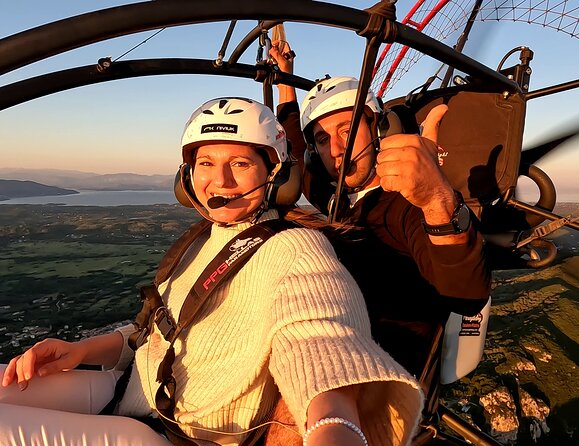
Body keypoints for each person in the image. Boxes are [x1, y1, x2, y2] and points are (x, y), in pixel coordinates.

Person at [0, 97, 423, 446]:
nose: (219, 179)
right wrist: (81, 351)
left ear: (274, 174)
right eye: (205, 163)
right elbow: (156, 334)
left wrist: (336, 427)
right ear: (187, 176)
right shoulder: (203, 238)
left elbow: (321, 343)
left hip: (171, 435)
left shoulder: (296, 248)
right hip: (130, 391)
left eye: (240, 163)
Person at [268, 42, 491, 377]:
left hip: (381, 373)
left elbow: (467, 293)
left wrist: (435, 199)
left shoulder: (406, 205)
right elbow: (297, 149)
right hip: (335, 348)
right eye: (324, 140)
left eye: (347, 130)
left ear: (380, 130)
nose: (337, 150)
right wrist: (285, 79)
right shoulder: (336, 196)